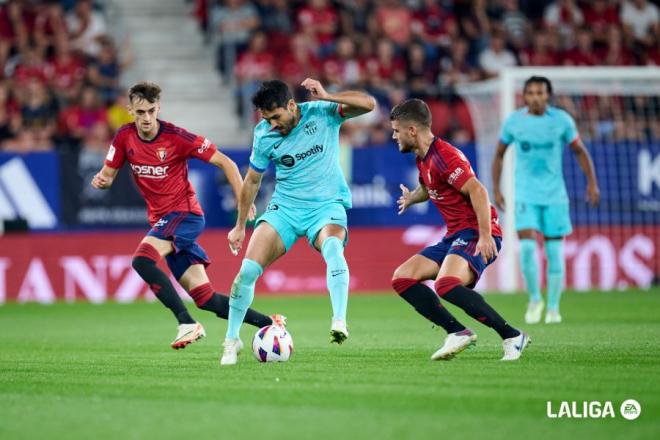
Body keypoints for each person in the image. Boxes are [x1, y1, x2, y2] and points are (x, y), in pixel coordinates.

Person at [91, 82, 282, 351]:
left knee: (142, 261)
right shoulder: (123, 137)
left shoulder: (176, 137)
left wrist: (243, 199)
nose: (146, 118)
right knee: (206, 299)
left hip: (185, 214)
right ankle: (269, 323)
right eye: (140, 112)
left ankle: (186, 323)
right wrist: (101, 180)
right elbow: (108, 175)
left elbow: (225, 162)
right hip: (163, 221)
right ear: (130, 110)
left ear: (159, 108)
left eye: (151, 111)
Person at [220, 78, 376, 365]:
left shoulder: (322, 112)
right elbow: (253, 180)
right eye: (267, 119)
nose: (272, 125)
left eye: (276, 117)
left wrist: (329, 95)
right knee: (247, 271)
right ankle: (231, 340)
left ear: (291, 105)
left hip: (327, 205)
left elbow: (369, 104)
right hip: (287, 209)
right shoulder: (263, 135)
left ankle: (339, 320)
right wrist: (240, 225)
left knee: (332, 247)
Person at [390, 98, 529, 361]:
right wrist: (412, 198)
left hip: (475, 232)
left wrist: (486, 235)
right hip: (454, 235)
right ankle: (457, 332)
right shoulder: (424, 158)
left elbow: (478, 189)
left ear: (412, 131)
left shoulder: (444, 156)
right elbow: (430, 188)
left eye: (397, 130)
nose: (394, 136)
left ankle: (511, 335)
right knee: (402, 277)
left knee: (446, 284)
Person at [492, 76, 600, 324]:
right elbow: (498, 155)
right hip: (525, 194)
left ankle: (552, 307)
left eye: (540, 93)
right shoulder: (514, 122)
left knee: (554, 250)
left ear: (548, 96)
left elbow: (580, 151)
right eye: (531, 93)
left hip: (554, 195)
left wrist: (592, 183)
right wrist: (497, 189)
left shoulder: (562, 121)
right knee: (528, 248)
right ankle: (534, 298)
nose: (536, 97)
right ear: (524, 96)